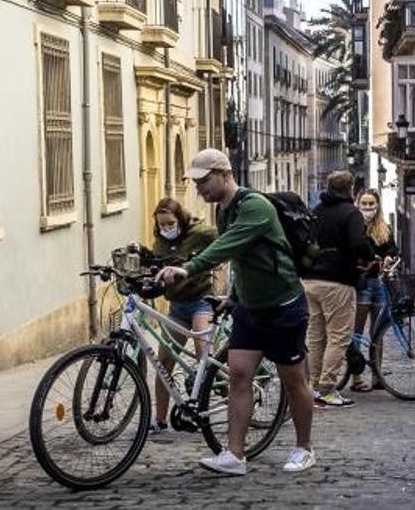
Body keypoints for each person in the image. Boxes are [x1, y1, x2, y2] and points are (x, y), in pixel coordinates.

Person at [155, 148, 317, 475]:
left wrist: (190, 267)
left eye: (204, 181)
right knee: (239, 376)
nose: (200, 189)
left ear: (225, 175)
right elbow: (243, 259)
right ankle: (234, 454)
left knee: (293, 380)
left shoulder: (255, 206)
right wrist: (235, 296)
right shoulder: (223, 211)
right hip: (250, 308)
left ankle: (304, 447)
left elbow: (229, 246)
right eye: (197, 182)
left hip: (283, 306)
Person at [144, 198, 217, 442]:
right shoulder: (160, 244)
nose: (166, 229)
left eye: (170, 223)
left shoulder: (200, 233)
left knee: (203, 352)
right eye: (162, 225)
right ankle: (160, 420)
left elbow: (225, 242)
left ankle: (219, 396)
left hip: (201, 301)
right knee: (163, 362)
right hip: (177, 307)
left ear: (180, 219)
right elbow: (154, 267)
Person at [304, 171, 374, 408]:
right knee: (339, 336)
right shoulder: (351, 213)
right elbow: (358, 243)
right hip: (337, 282)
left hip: (311, 281)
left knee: (316, 337)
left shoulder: (317, 210)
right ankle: (327, 388)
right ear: (351, 188)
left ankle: (313, 388)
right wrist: (369, 256)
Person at [349, 188, 397, 393]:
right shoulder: (353, 227)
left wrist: (389, 257)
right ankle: (356, 376)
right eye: (364, 204)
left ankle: (377, 376)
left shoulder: (384, 228)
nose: (368, 208)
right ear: (357, 204)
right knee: (356, 333)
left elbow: (393, 249)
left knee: (378, 333)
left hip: (379, 284)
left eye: (371, 204)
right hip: (361, 285)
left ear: (378, 206)